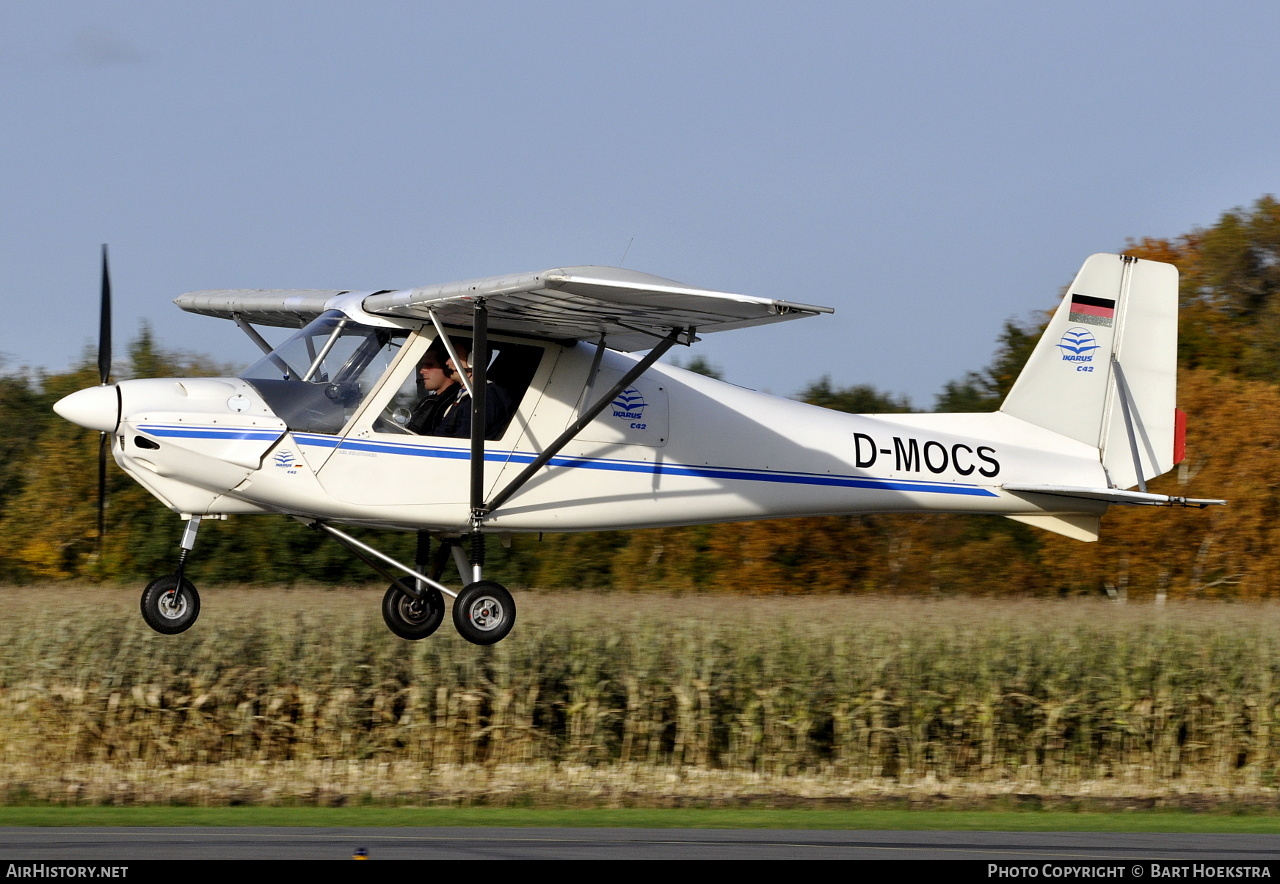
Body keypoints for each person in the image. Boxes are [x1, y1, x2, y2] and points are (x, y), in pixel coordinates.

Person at [408, 338, 513, 440]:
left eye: (454, 357)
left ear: (472, 361)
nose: (447, 362)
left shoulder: (484, 397)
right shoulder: (463, 395)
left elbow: (463, 440)